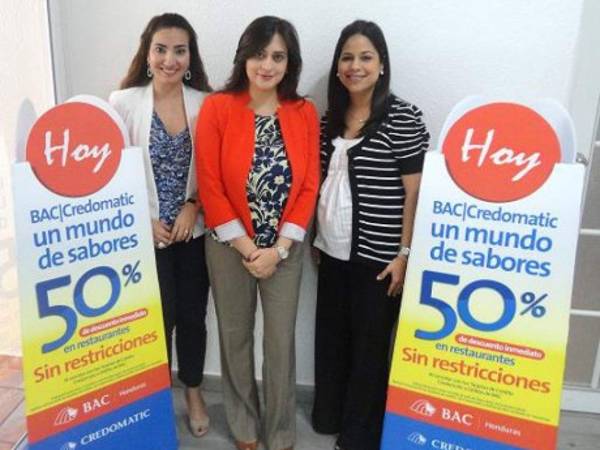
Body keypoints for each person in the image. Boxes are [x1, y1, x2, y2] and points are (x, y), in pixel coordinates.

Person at [196, 15, 319, 450]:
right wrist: (249, 249)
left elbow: (309, 185)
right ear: (244, 56)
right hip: (229, 247)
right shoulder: (218, 107)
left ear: (290, 63)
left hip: (285, 250)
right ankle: (244, 426)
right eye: (260, 54)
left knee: (281, 342)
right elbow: (210, 185)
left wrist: (279, 250)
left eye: (278, 57)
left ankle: (281, 431)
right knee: (235, 336)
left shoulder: (303, 112)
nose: (267, 65)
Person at [311, 20, 430, 450]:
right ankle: (329, 416)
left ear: (381, 65)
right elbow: (323, 183)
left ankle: (359, 436)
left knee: (369, 349)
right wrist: (316, 237)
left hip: (381, 259)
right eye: (347, 58)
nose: (355, 66)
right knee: (332, 341)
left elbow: (415, 191)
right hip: (332, 252)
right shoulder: (330, 117)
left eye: (365, 57)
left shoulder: (402, 116)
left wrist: (404, 254)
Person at [109, 12, 212, 438]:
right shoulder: (122, 102)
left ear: (190, 57)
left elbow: (217, 168)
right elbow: (112, 175)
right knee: (155, 320)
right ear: (147, 53)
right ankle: (154, 399)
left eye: (179, 51)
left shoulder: (206, 103)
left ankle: (193, 393)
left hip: (193, 232)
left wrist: (193, 205)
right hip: (145, 235)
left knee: (192, 317)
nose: (170, 59)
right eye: (161, 49)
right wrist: (141, 217)